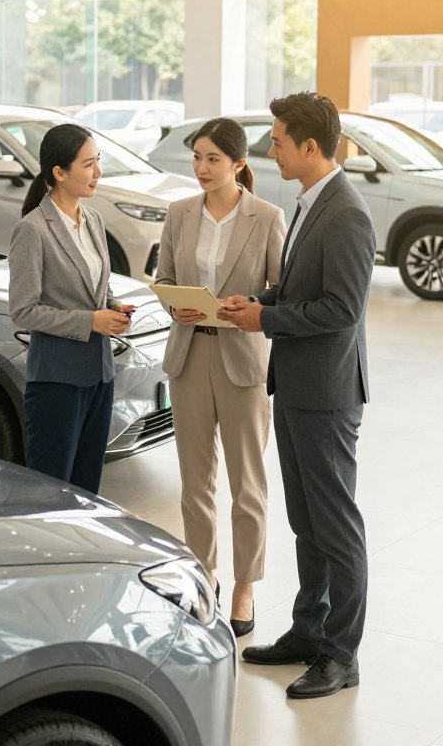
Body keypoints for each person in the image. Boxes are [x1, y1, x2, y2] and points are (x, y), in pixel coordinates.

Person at [219, 91, 375, 700]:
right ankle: (309, 632)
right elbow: (300, 290)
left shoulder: (347, 212)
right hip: (296, 385)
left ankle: (341, 654)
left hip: (328, 393)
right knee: (306, 521)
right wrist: (258, 304)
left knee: (337, 526)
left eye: (279, 140)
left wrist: (266, 320)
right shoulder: (311, 202)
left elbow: (341, 309)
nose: (271, 149)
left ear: (310, 146)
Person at [154, 118, 286, 639]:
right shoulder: (179, 213)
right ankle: (202, 574)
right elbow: (164, 278)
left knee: (247, 484)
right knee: (195, 483)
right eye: (197, 157)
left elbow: (281, 291)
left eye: (212, 159)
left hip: (243, 361)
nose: (202, 168)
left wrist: (249, 304)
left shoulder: (267, 217)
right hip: (189, 357)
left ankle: (244, 585)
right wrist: (175, 307)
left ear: (238, 163)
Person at [8, 123, 133, 494]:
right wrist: (91, 321)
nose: (98, 172)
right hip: (56, 381)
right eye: (88, 164)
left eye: (98, 161)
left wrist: (113, 305)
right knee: (49, 492)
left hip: (100, 375)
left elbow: (98, 286)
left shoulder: (93, 219)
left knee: (87, 490)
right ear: (59, 173)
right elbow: (23, 310)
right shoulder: (32, 230)